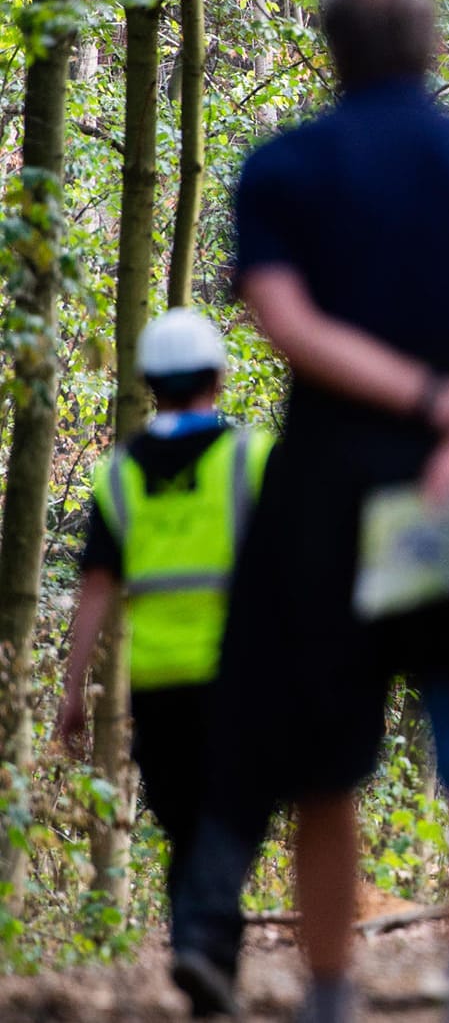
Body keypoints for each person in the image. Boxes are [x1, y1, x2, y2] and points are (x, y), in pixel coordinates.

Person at [180, 0, 449, 1023]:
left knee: (324, 747)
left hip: (330, 486)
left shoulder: (281, 169)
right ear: (429, 49)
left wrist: (416, 396)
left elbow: (279, 315)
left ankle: (326, 998)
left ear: (333, 53)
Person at [52, 310, 272, 1017]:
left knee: (183, 822)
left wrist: (72, 689)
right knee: (231, 819)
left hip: (156, 681)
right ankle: (203, 945)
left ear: (148, 385)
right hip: (237, 677)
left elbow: (95, 590)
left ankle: (204, 969)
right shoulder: (251, 458)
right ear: (217, 377)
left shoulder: (118, 475)